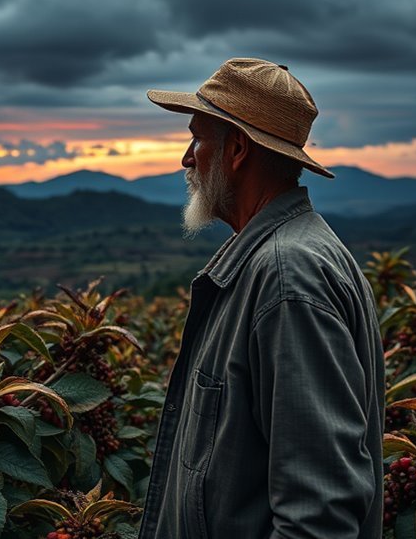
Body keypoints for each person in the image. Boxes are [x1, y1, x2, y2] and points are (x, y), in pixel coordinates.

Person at [138, 58, 384, 538]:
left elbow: (318, 519)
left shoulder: (287, 278)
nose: (187, 158)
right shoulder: (278, 261)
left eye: (197, 138)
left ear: (236, 149)